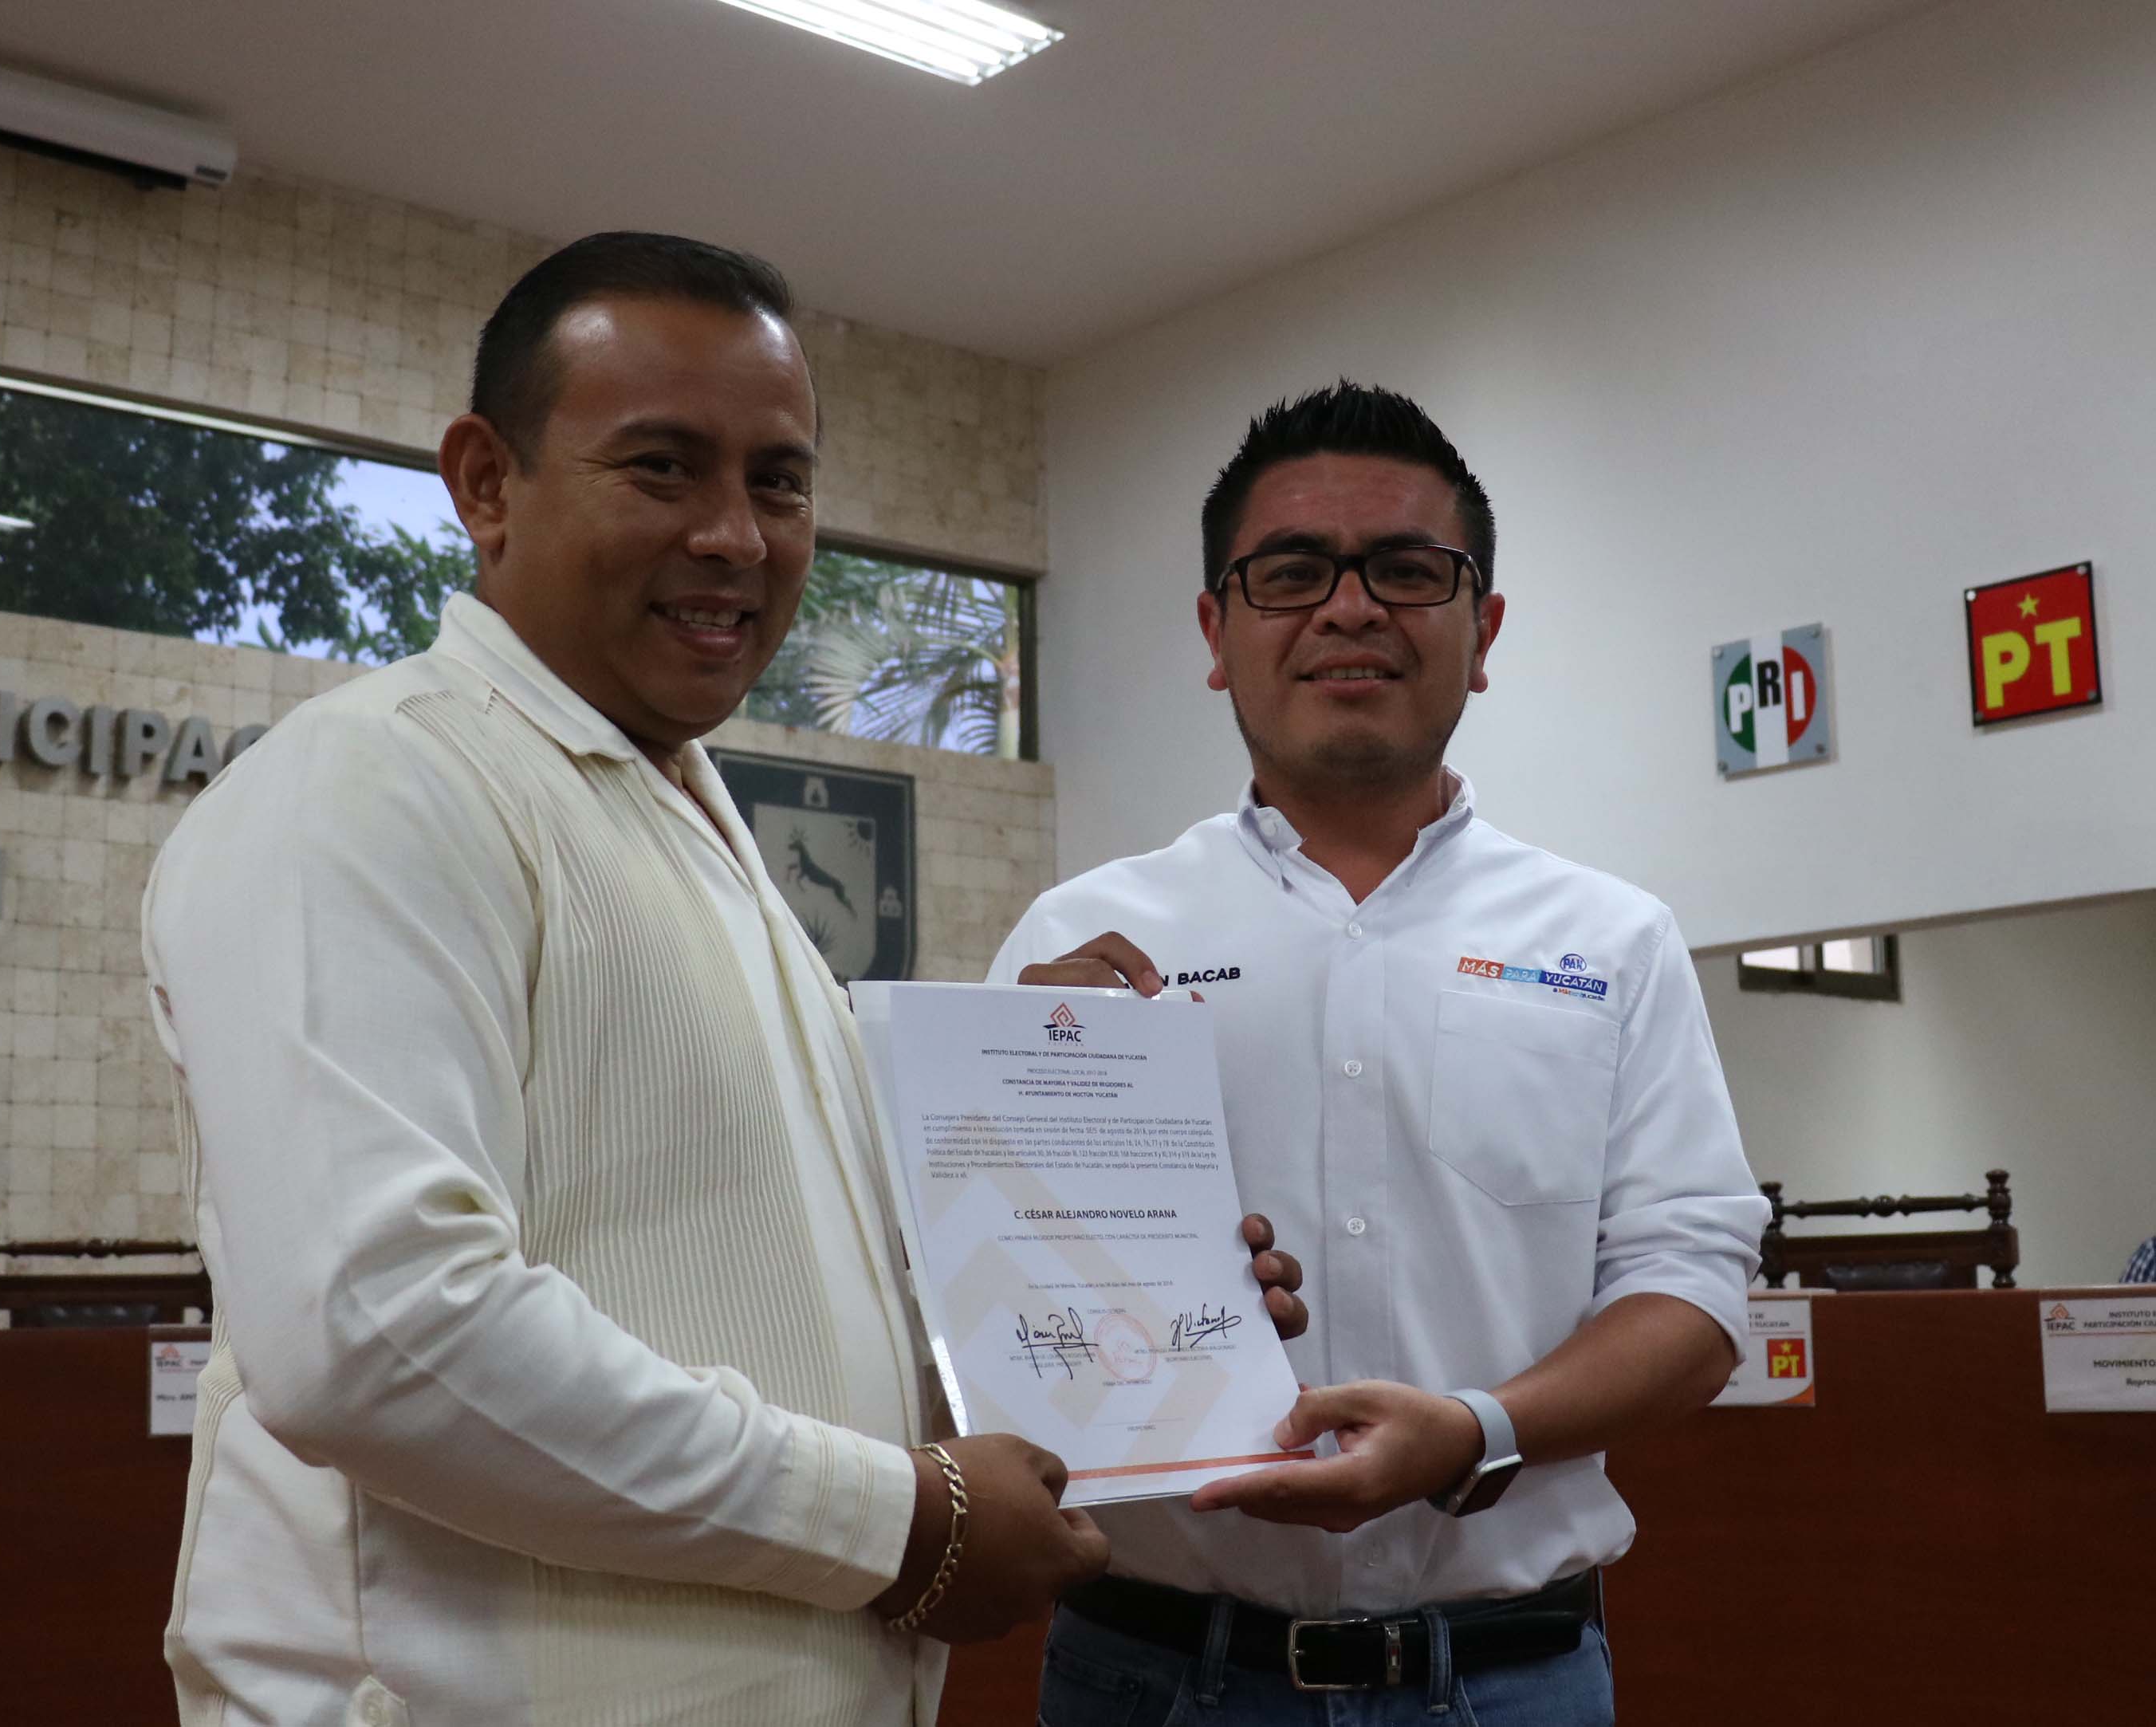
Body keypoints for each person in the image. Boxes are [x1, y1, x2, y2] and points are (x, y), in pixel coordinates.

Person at [142, 233, 1163, 1727]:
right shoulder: (373, 784)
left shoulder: (682, 818)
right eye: (662, 468)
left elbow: (768, 1267)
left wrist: (1091, 1212)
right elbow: (377, 1330)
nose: (737, 536)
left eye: (779, 482)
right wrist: (900, 1524)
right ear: (485, 482)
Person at [989, 382, 1770, 1725]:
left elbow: (1692, 1295)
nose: (1348, 608)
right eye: (1292, 571)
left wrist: (1475, 1430)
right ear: (1216, 633)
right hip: (1153, 1673)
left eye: (1406, 570)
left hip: (1509, 1679)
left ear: (1482, 631)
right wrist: (1014, 1089)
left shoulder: (1611, 939)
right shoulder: (1078, 945)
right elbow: (966, 1290)